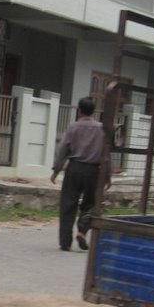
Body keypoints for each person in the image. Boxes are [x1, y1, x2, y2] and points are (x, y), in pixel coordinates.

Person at [51, 97, 105, 251]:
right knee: (91, 203)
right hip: (93, 170)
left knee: (68, 203)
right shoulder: (101, 128)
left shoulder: (73, 127)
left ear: (79, 110)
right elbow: (106, 153)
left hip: (74, 168)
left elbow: (63, 150)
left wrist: (56, 170)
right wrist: (107, 176)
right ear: (94, 111)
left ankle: (65, 242)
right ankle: (82, 230)